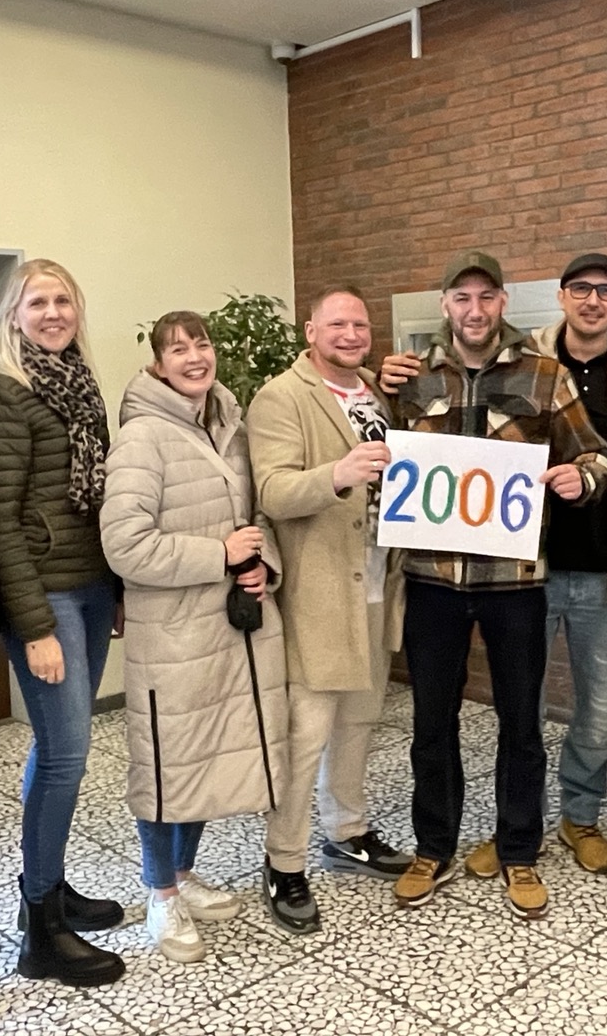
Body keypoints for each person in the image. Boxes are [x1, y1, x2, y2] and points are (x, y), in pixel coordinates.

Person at [383, 252, 607, 877]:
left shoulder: (544, 375)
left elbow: (595, 456)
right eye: (462, 298)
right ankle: (433, 847)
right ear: (445, 305)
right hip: (433, 580)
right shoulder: (413, 379)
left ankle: (519, 848)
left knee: (521, 724)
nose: (475, 310)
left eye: (486, 297)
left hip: (514, 582)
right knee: (431, 724)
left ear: (503, 303)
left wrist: (581, 480)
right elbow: (380, 457)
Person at [99, 312, 289, 964]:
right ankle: (161, 895)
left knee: (203, 757)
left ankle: (183, 875)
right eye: (177, 349)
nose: (193, 356)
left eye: (201, 344)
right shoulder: (141, 438)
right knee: (166, 765)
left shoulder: (230, 427)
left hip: (228, 630)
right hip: (173, 637)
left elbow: (256, 515)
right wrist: (220, 555)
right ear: (157, 365)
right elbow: (125, 545)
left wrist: (262, 564)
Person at [0, 259, 125, 987]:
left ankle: (48, 882)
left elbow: (97, 497)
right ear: (13, 314)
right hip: (45, 596)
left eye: (63, 300)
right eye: (38, 302)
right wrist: (32, 627)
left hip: (89, 583)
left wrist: (115, 588)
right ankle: (41, 930)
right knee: (66, 754)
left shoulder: (77, 381)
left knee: (60, 750)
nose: (53, 313)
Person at [245, 285, 413, 936]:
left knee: (360, 721)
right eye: (336, 324)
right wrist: (337, 475)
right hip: (318, 593)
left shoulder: (375, 393)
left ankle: (348, 831)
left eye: (360, 325)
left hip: (377, 583)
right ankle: (284, 861)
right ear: (310, 331)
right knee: (305, 734)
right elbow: (272, 490)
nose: (350, 334)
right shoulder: (281, 396)